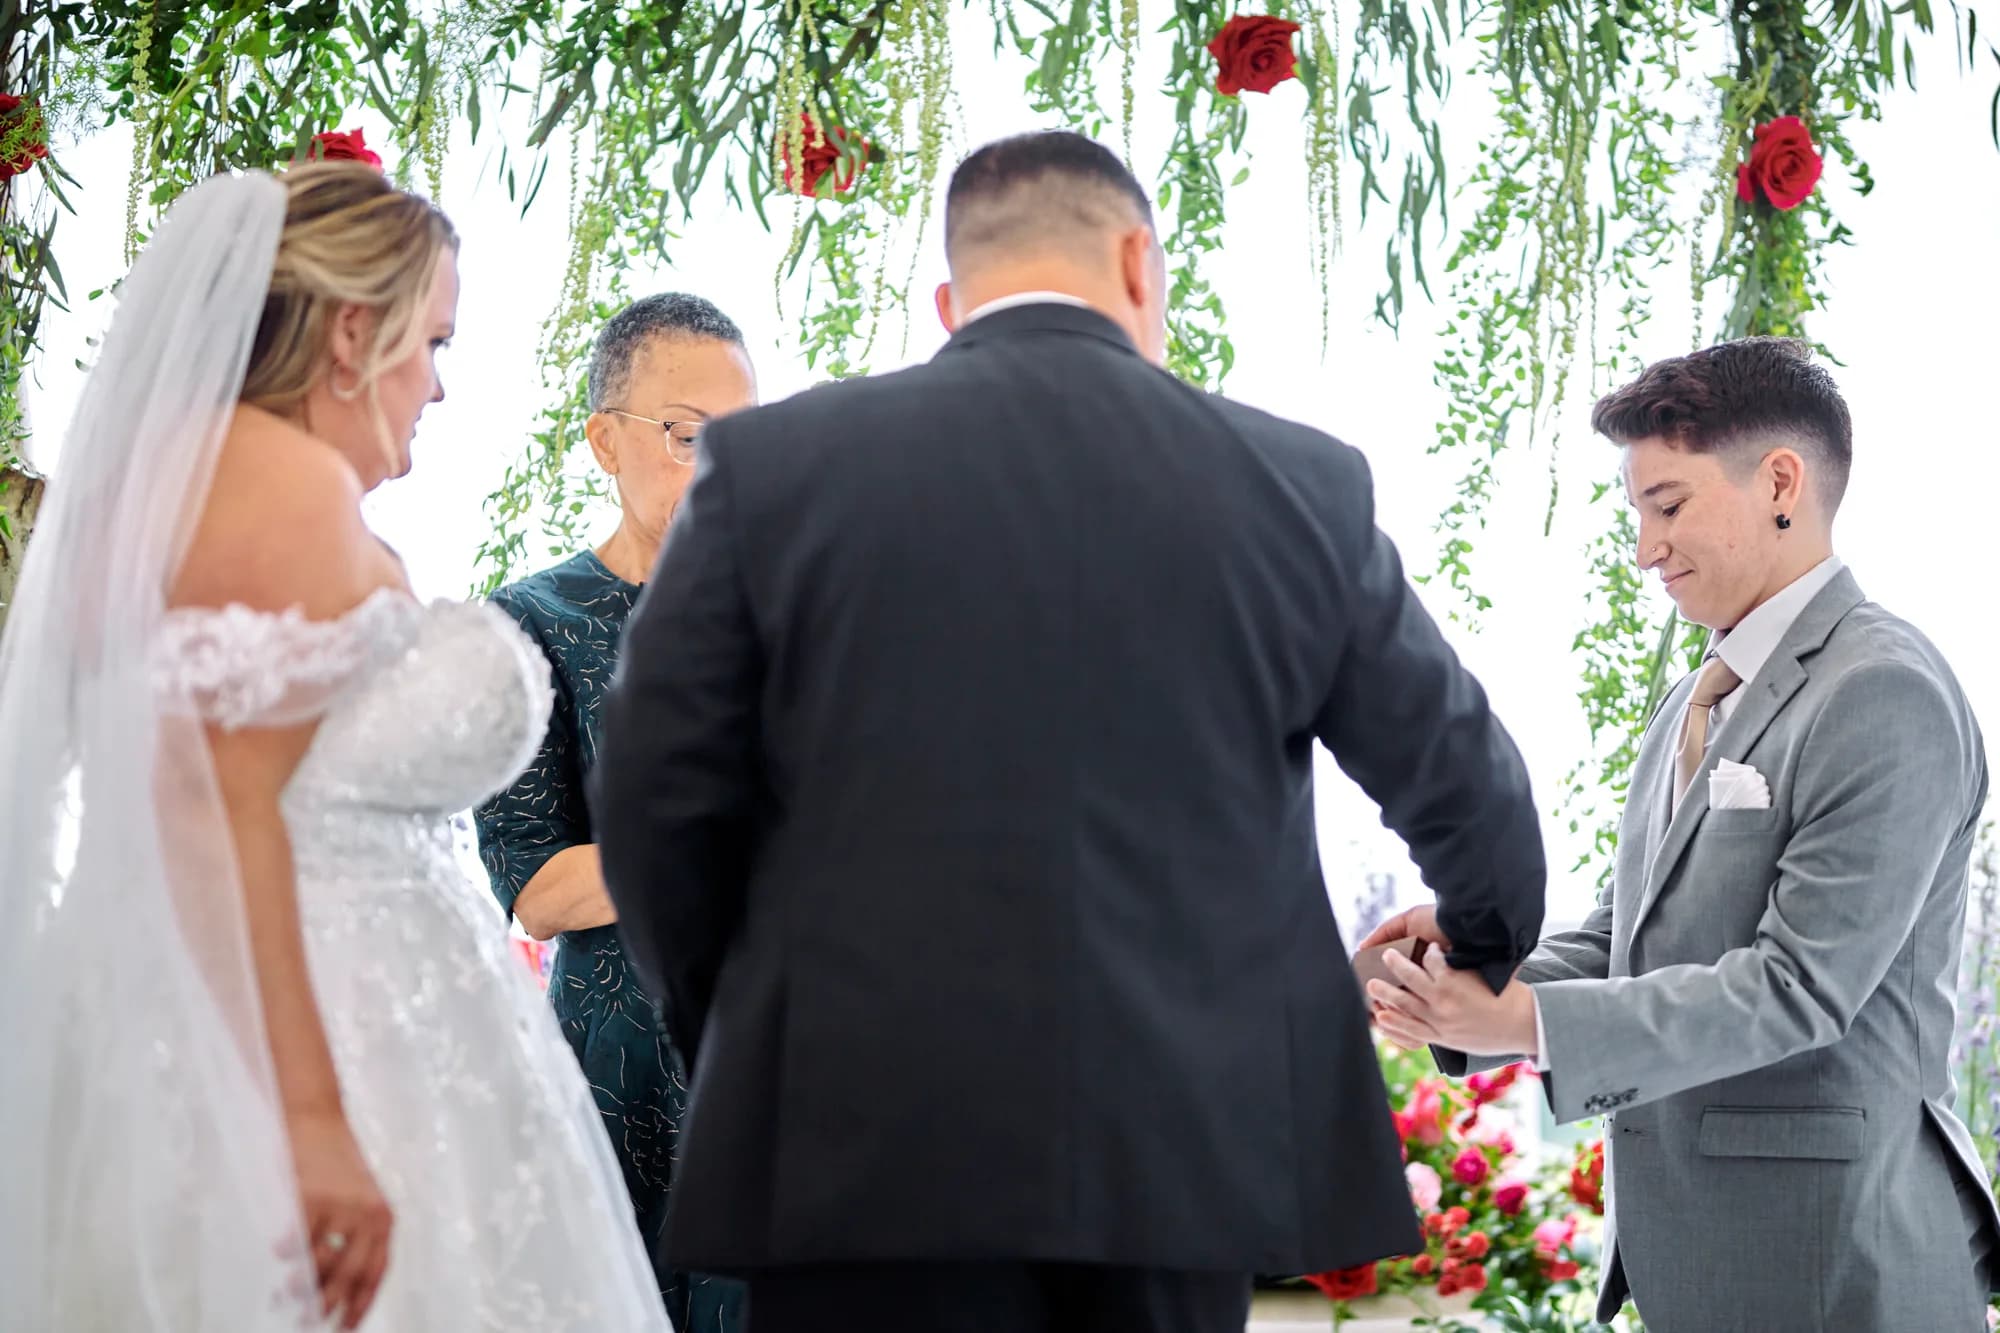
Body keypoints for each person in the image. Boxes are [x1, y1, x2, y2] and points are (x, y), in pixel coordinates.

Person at [589, 129, 1546, 1333]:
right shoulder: (1297, 484)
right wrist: (1477, 944)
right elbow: (1467, 791)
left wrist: (750, 1029)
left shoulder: (774, 468)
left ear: (949, 301)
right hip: (1176, 1157)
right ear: (1140, 265)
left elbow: (655, 795)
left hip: (857, 1143)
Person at [0, 165, 671, 1331]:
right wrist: (311, 1121)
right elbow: (211, 801)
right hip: (346, 1037)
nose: (440, 388)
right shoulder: (282, 485)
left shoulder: (180, 482)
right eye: (435, 342)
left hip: (301, 1016)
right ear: (353, 334)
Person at [1363, 337, 2000, 1331]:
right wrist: (1475, 979)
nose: (1644, 548)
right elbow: (1628, 934)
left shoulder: (1883, 689)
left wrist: (1523, 1027)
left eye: (1667, 506)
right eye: (1636, 514)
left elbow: (1797, 987)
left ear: (1779, 482)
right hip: (1705, 1266)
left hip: (1836, 1269)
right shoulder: (1696, 697)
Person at [476, 292, 755, 1331]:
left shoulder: (794, 610)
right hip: (619, 1070)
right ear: (606, 440)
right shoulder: (530, 623)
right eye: (687, 437)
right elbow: (537, 891)